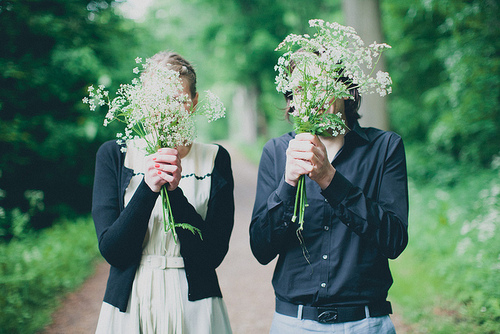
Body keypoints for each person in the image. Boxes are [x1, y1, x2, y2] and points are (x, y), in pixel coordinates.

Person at [250, 68, 408, 333]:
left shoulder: (385, 147)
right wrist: (287, 185)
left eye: (321, 85)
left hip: (366, 323)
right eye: (301, 89)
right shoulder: (276, 152)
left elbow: (394, 241)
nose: (312, 97)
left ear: (345, 90)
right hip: (294, 324)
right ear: (292, 101)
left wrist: (329, 180)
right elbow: (261, 250)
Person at [92, 51, 234, 333]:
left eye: (178, 100)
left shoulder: (216, 158)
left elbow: (212, 256)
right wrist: (148, 187)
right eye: (159, 101)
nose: (168, 111)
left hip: (196, 308)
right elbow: (114, 251)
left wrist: (175, 191)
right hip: (131, 305)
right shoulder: (114, 155)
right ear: (143, 104)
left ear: (194, 102)